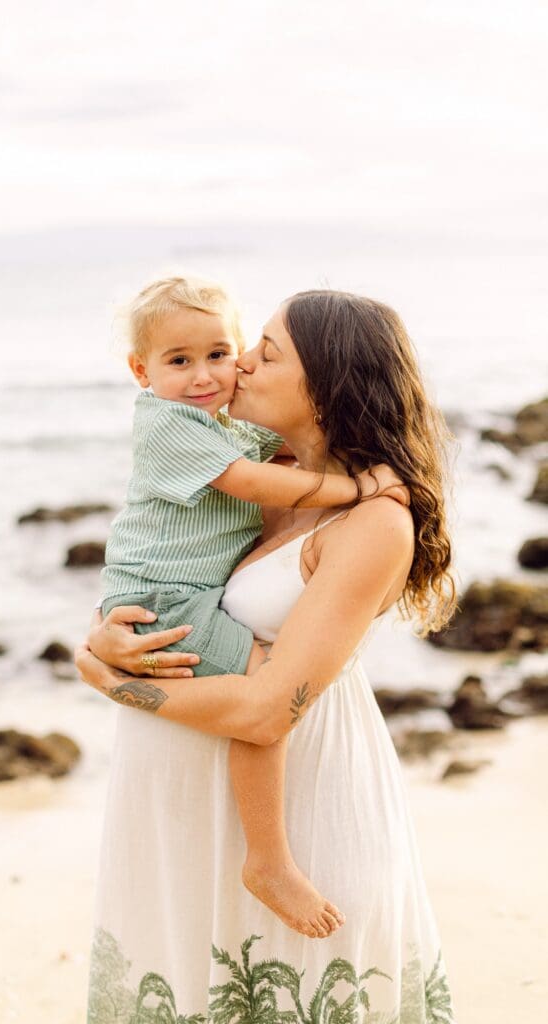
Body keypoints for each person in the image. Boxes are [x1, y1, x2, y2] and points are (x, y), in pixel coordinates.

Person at [77, 289, 457, 1022]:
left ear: (328, 384)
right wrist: (104, 632)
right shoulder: (262, 480)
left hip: (305, 817)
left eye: (264, 353)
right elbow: (166, 567)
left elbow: (261, 709)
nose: (238, 366)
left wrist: (110, 682)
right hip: (188, 822)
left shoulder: (373, 520)